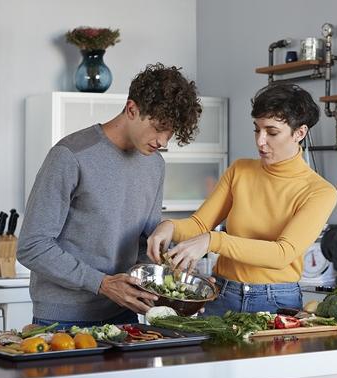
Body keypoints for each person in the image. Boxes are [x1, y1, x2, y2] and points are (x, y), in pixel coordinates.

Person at [18, 64, 201, 328]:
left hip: (125, 313)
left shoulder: (155, 164)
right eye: (158, 127)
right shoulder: (71, 155)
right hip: (63, 318)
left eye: (170, 133)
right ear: (131, 109)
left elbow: (144, 245)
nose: (163, 141)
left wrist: (171, 264)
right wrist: (102, 284)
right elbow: (31, 246)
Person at [146, 83, 337, 316]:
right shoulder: (241, 170)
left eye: (272, 132)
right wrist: (168, 226)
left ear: (300, 133)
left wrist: (214, 241)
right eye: (257, 129)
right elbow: (199, 225)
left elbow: (282, 253)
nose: (260, 141)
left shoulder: (319, 191)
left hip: (275, 302)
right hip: (222, 293)